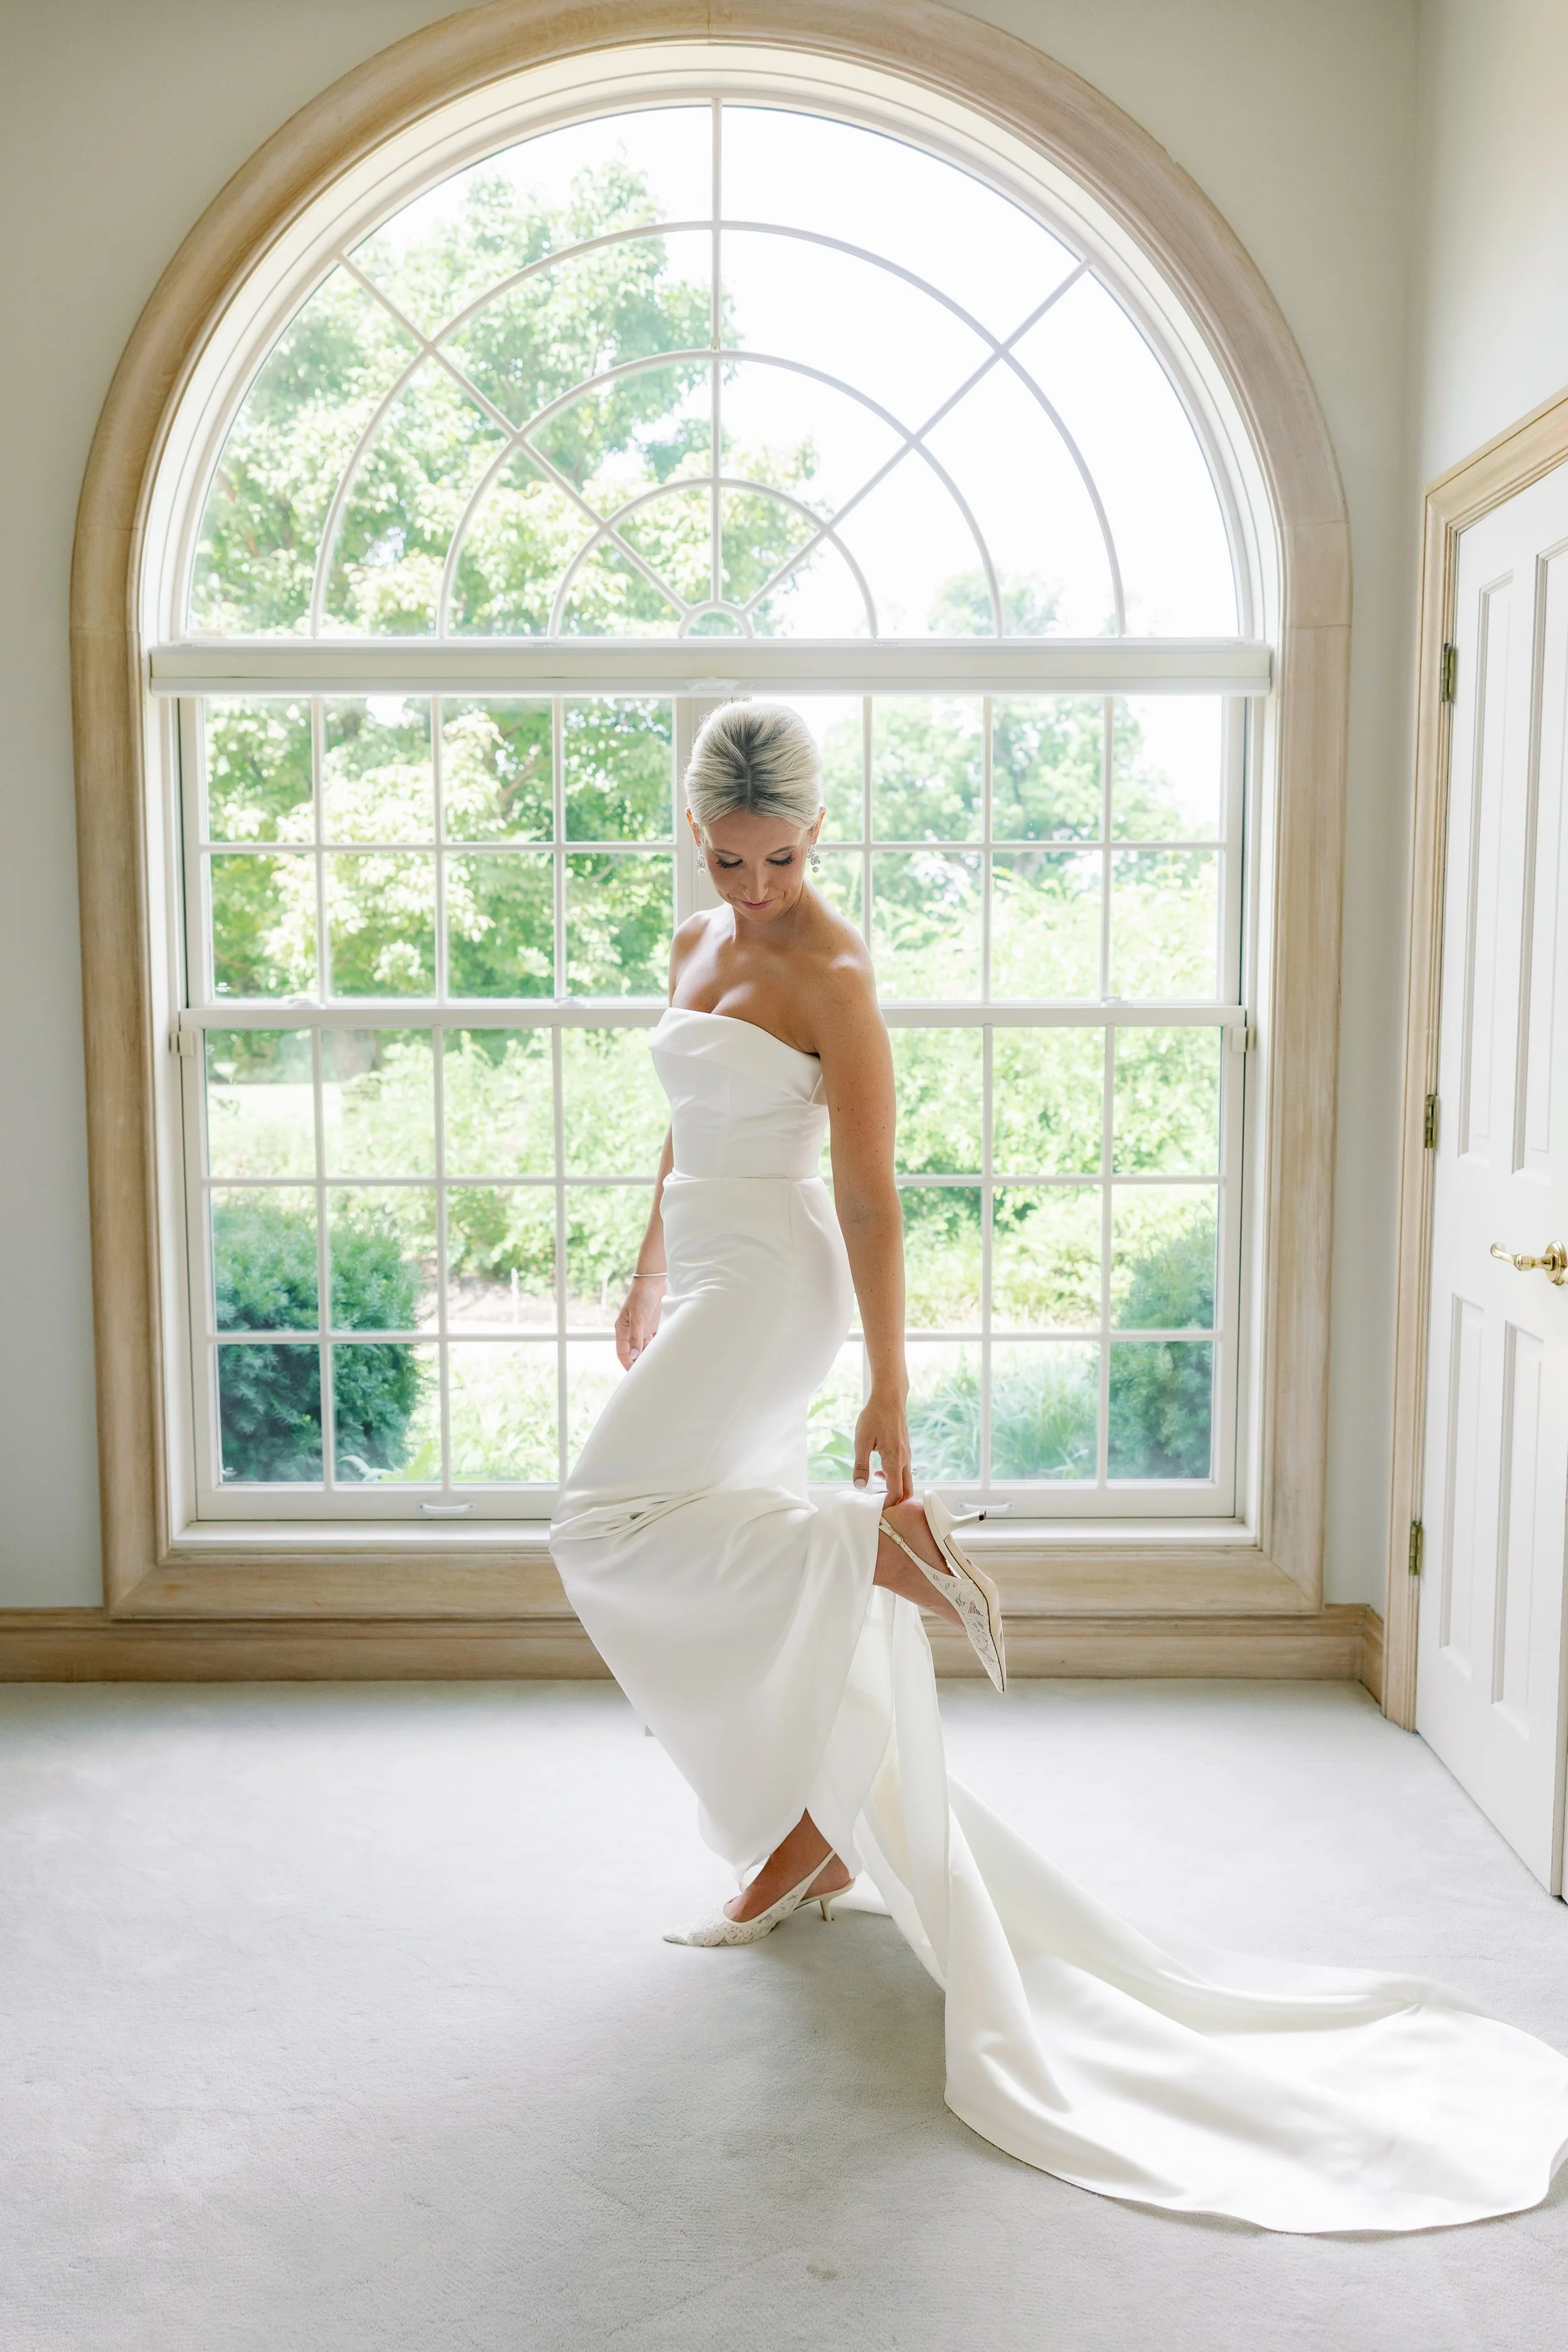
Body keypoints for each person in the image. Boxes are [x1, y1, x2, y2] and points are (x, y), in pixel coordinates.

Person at [550, 702, 1568, 2233]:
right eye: (729, 857)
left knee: (601, 1520)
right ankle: (804, 1827)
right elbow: (680, 1137)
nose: (755, 884)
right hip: (700, 1267)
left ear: (818, 835)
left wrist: (889, 1396)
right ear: (695, 837)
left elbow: (875, 1199)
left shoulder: (830, 968)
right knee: (683, 1528)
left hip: (776, 1284)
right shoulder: (694, 938)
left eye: (780, 856)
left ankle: (870, 1554)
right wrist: (640, 1273)